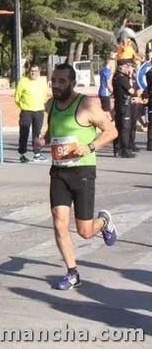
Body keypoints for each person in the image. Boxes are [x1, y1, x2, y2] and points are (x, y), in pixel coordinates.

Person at [35, 63, 119, 290]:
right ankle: (72, 272)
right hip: (59, 170)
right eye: (53, 81)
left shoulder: (87, 104)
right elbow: (52, 131)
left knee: (85, 231)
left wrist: (89, 147)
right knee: (59, 222)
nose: (56, 85)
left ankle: (104, 222)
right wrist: (43, 140)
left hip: (82, 171)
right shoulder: (51, 104)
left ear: (72, 83)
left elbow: (112, 132)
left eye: (61, 81)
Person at [14, 64, 49, 163]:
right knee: (24, 132)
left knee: (37, 133)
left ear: (39, 72)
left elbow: (44, 95)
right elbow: (17, 97)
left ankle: (36, 154)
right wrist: (23, 106)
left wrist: (40, 105)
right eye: (31, 71)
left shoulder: (42, 81)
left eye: (35, 71)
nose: (33, 73)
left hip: (39, 111)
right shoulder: (23, 81)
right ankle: (22, 155)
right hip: (26, 111)